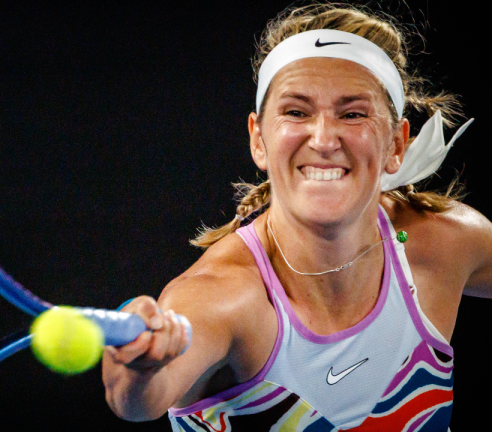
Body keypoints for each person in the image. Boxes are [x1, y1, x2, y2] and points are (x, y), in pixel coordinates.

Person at [102, 3, 491, 431]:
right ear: (259, 140)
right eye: (296, 111)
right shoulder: (223, 297)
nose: (323, 139)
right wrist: (136, 367)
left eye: (353, 113)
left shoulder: (449, 243)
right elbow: (138, 402)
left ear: (396, 145)